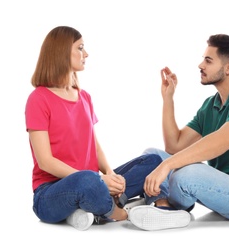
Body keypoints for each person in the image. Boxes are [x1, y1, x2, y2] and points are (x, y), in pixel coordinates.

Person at [128, 34, 229, 231]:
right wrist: (168, 99)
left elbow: (220, 142)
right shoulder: (211, 105)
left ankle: (164, 205)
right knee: (153, 155)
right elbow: (174, 145)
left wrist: (167, 166)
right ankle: (163, 206)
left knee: (185, 175)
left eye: (208, 60)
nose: (201, 65)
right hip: (223, 188)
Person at [25, 26, 170, 231]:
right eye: (80, 48)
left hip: (95, 182)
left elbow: (94, 145)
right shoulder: (38, 99)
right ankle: (120, 213)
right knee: (87, 181)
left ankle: (98, 207)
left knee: (155, 161)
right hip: (51, 193)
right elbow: (45, 161)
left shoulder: (84, 97)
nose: (86, 54)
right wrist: (99, 180)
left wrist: (111, 175)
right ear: (62, 51)